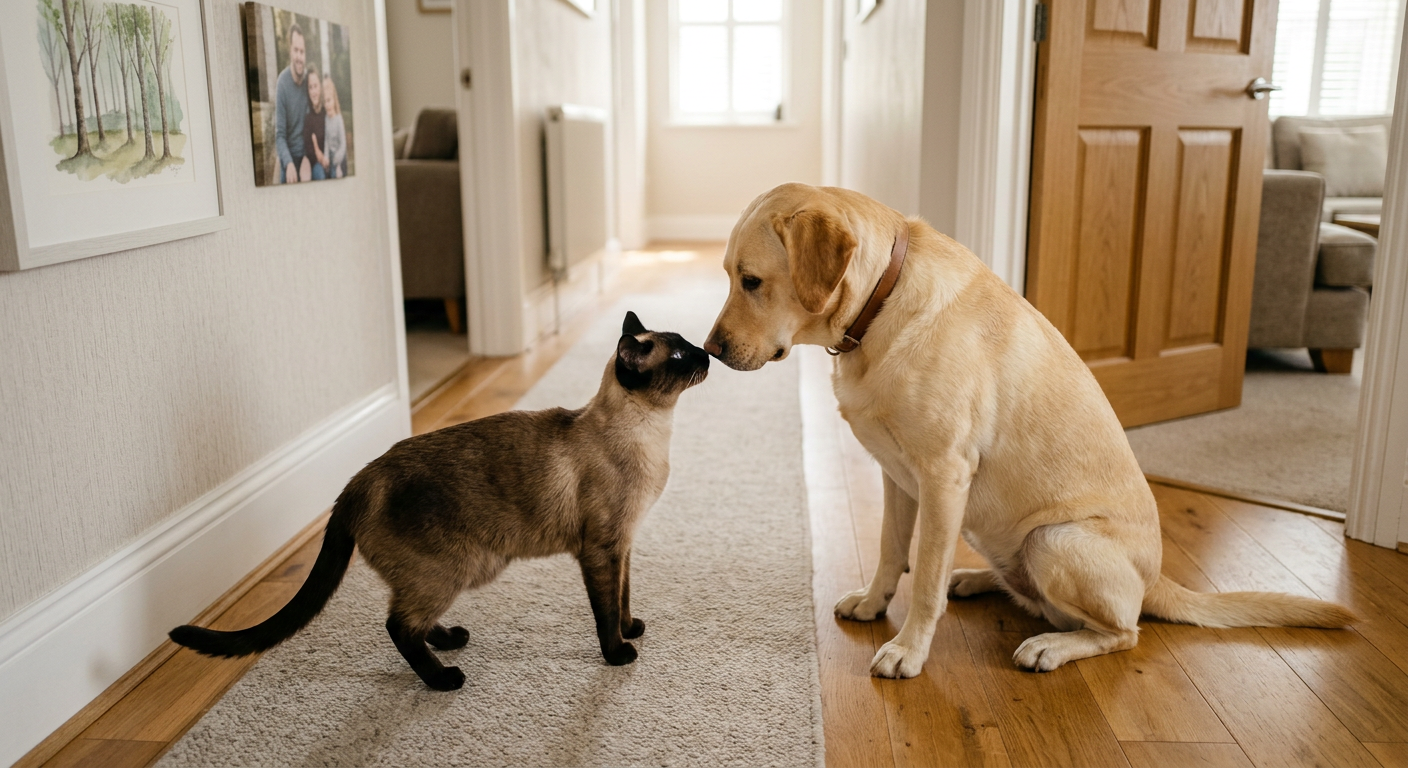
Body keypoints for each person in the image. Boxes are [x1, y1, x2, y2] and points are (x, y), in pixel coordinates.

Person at [274, 23, 309, 184]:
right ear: (290, 51)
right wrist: (288, 163)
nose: (299, 56)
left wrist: (308, 158)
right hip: (289, 155)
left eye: (302, 52)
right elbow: (279, 135)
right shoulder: (282, 83)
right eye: (296, 50)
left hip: (308, 156)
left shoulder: (311, 82)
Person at [299, 66, 328, 182]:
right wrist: (320, 158)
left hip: (330, 159)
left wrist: (328, 159)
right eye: (310, 88)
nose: (314, 91)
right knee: (320, 174)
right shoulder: (308, 118)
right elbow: (309, 149)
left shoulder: (327, 113)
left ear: (320, 86)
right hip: (316, 164)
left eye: (315, 86)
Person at [323, 74, 347, 179]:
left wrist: (337, 162)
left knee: (337, 175)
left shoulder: (338, 119)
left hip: (340, 157)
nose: (327, 104)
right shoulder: (326, 120)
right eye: (325, 102)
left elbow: (343, 144)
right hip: (331, 157)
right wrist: (326, 156)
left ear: (334, 100)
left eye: (329, 101)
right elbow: (327, 141)